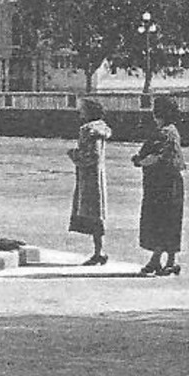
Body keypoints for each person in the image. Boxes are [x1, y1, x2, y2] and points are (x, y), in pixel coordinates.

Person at [132, 95, 186, 276]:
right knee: (171, 220)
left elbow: (155, 157)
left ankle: (155, 260)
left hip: (161, 184)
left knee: (159, 220)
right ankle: (170, 261)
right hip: (173, 181)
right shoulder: (173, 131)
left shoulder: (163, 132)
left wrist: (139, 161)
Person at [66, 98, 112, 265]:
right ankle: (99, 250)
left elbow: (92, 155)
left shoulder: (88, 130)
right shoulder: (100, 129)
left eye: (83, 109)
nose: (80, 112)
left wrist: (74, 154)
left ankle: (99, 252)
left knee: (93, 213)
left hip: (89, 176)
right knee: (96, 214)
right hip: (97, 175)